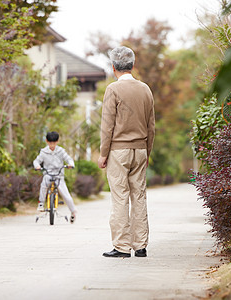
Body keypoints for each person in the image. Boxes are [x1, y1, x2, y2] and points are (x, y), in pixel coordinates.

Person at [98, 46, 155, 258]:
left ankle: (121, 247)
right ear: (132, 65)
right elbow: (151, 126)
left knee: (120, 197)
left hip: (118, 152)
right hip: (140, 150)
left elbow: (107, 125)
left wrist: (103, 153)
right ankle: (140, 246)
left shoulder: (113, 90)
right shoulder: (145, 89)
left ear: (114, 68)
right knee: (139, 196)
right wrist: (147, 153)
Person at [33, 131, 77, 223]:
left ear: (57, 141)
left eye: (54, 142)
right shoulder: (43, 152)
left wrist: (70, 164)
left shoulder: (61, 151)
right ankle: (41, 203)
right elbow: (36, 161)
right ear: (46, 141)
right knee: (44, 185)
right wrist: (37, 166)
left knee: (66, 195)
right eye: (50, 143)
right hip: (48, 174)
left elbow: (68, 159)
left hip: (58, 175)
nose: (52, 145)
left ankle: (73, 212)